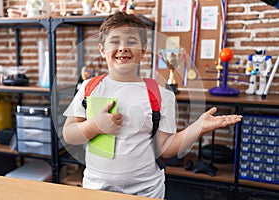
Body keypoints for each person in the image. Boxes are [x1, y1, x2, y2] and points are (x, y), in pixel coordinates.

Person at [62, 11, 242, 199]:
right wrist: (94, 126)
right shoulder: (88, 88)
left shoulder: (162, 95)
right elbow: (69, 135)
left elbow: (165, 147)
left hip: (146, 191)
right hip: (96, 188)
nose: (123, 48)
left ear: (144, 50)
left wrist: (198, 127)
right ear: (102, 49)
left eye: (131, 42)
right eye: (115, 41)